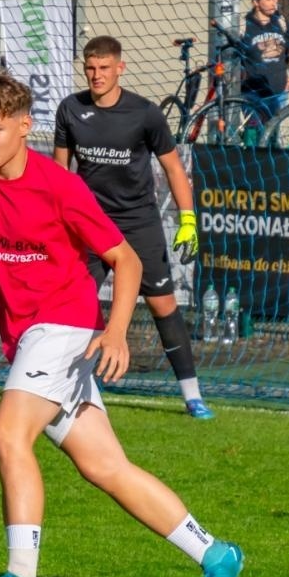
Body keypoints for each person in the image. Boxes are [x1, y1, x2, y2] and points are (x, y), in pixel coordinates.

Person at [0, 73, 244, 577]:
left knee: (8, 433)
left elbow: (126, 260)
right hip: (29, 339)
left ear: (24, 126)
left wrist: (116, 331)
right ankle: (215, 553)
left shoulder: (58, 185)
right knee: (106, 468)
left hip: (63, 327)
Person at [53, 36, 214, 420]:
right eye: (91, 68)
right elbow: (59, 171)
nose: (96, 76)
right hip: (90, 224)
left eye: (104, 68)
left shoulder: (145, 113)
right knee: (74, 306)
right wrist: (56, 220)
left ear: (119, 68)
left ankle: (192, 395)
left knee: (163, 305)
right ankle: (62, 388)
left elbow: (174, 168)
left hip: (139, 222)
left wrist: (188, 220)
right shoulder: (70, 109)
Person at [234, 0, 289, 129]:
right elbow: (235, 55)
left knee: (272, 134)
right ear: (256, 2)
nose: (274, 2)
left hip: (278, 90)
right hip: (252, 91)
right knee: (255, 132)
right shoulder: (244, 25)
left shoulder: (281, 21)